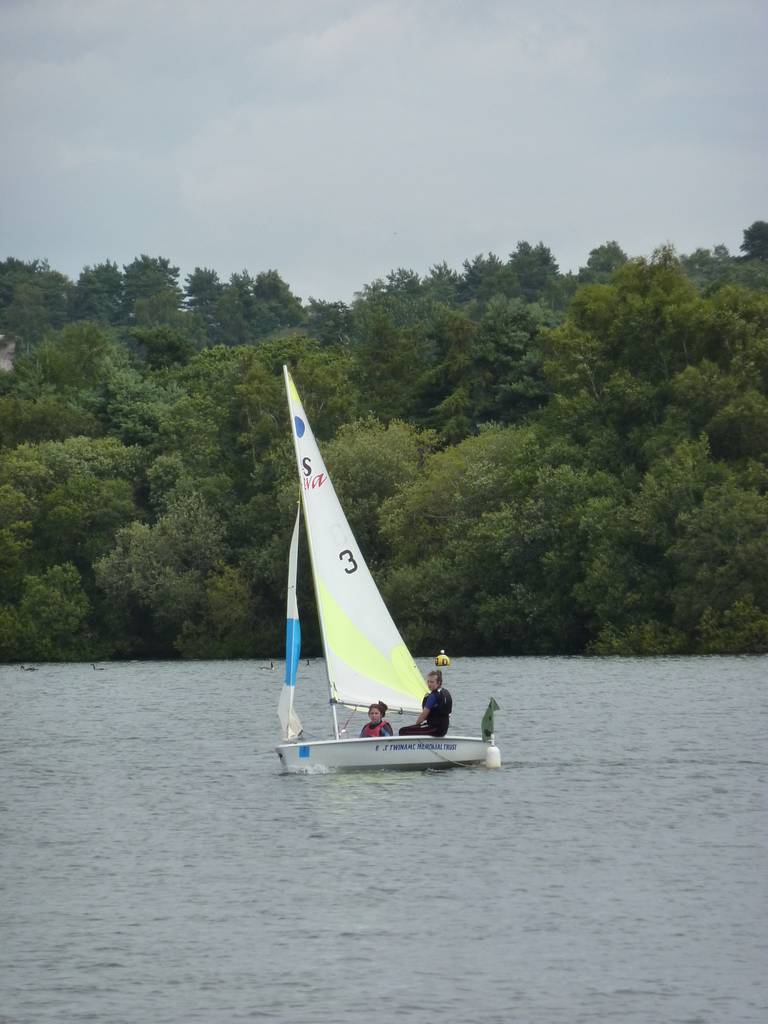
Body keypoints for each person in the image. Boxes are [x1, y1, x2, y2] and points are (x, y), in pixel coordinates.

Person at [399, 670, 452, 737]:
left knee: (403, 731)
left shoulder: (433, 696)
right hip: (443, 729)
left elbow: (423, 715)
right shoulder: (444, 692)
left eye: (432, 682)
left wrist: (416, 726)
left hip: (435, 729)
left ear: (438, 683)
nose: (429, 684)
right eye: (428, 681)